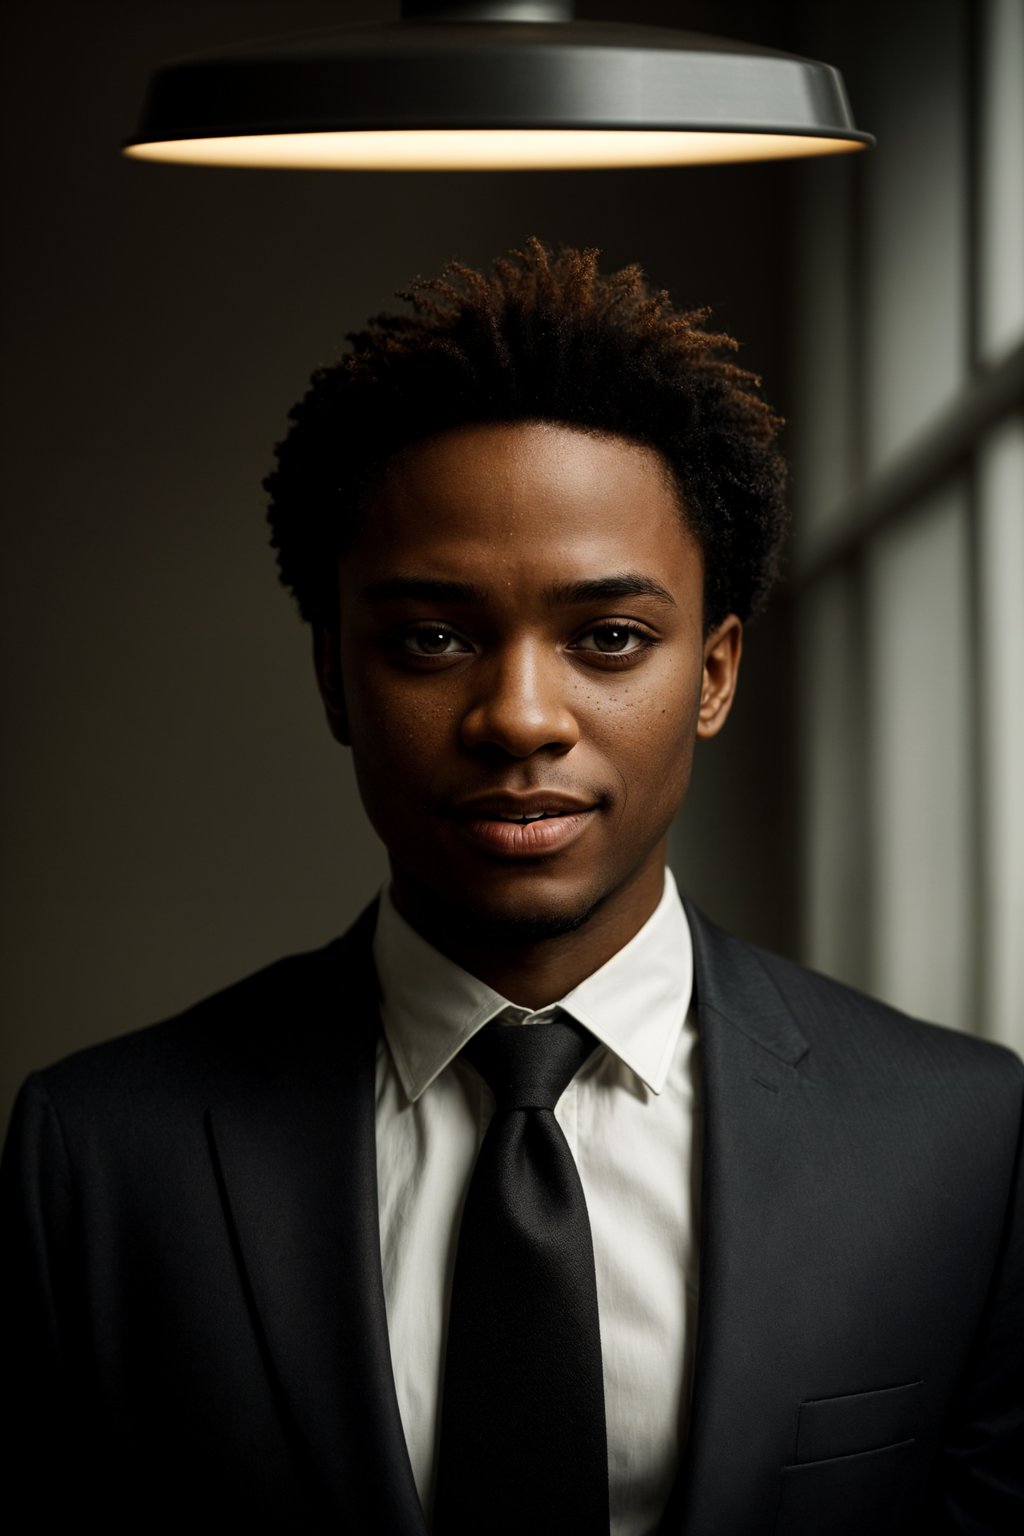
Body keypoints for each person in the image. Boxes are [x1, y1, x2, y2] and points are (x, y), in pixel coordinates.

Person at [2, 239, 1021, 1536]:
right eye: (433, 637)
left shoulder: (964, 1145)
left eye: (608, 638)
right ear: (333, 676)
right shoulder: (99, 1157)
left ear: (713, 675)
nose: (519, 717)